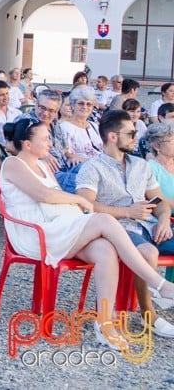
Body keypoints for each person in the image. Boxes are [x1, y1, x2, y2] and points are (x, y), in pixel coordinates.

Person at [0, 118, 174, 349]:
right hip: (36, 234)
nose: (50, 143)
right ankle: (158, 284)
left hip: (58, 226)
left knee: (105, 250)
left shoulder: (42, 165)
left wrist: (75, 207)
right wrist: (80, 200)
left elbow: (56, 199)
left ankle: (105, 323)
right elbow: (45, 195)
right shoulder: (13, 163)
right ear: (27, 144)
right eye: (44, 139)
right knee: (103, 220)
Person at [75, 110, 174, 338]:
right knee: (147, 252)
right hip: (119, 228)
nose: (135, 137)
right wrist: (127, 211)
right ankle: (149, 314)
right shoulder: (92, 167)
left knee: (151, 246)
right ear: (112, 136)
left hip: (150, 225)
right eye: (130, 133)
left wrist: (163, 220)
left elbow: (158, 201)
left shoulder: (141, 165)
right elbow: (85, 204)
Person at [57, 86, 103, 193]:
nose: (85, 107)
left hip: (100, 168)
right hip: (82, 172)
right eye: (81, 103)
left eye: (89, 104)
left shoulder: (94, 126)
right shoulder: (65, 127)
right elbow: (69, 156)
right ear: (73, 105)